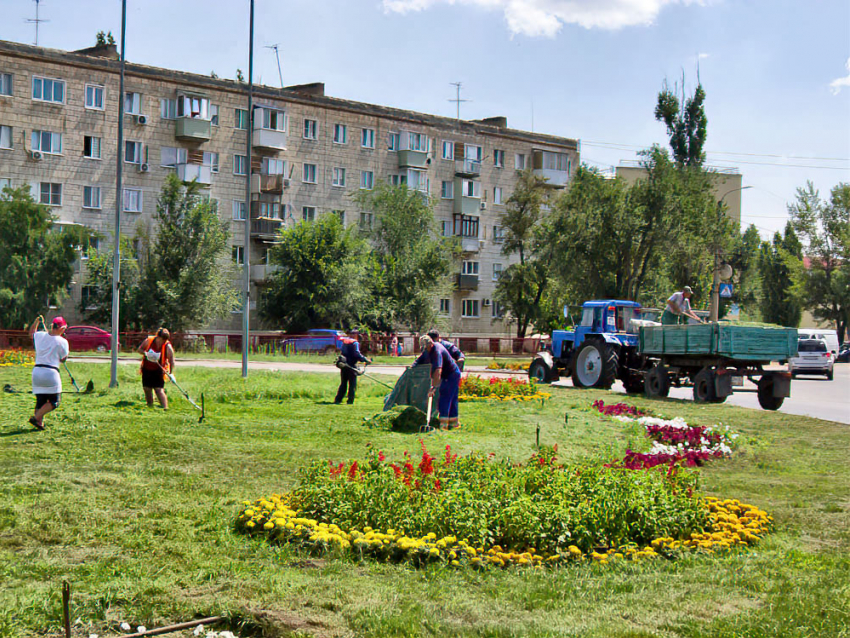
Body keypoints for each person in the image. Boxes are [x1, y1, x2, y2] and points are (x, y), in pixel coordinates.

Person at [28, 315, 69, 430]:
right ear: (61, 329)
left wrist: (36, 321)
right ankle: (37, 417)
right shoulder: (62, 341)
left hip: (37, 371)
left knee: (41, 399)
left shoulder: (40, 336)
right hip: (51, 372)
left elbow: (31, 333)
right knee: (54, 401)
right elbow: (63, 358)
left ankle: (39, 423)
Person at [414, 334, 460, 430]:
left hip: (451, 374)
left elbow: (438, 371)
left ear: (430, 344)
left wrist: (433, 387)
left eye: (426, 348)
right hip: (448, 374)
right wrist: (412, 367)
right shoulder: (428, 350)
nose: (425, 350)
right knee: (450, 397)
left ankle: (444, 424)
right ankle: (453, 423)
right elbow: (420, 360)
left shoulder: (437, 351)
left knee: (445, 397)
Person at [138, 328, 176, 409]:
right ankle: (150, 406)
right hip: (147, 368)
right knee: (147, 388)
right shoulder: (149, 340)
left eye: (164, 340)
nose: (162, 341)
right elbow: (139, 349)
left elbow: (171, 361)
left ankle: (165, 407)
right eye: (161, 339)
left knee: (158, 389)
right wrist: (146, 353)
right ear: (157, 336)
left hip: (159, 370)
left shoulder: (167, 346)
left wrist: (171, 373)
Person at [335, 330, 372, 404]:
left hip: (344, 365)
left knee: (343, 383)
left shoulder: (345, 342)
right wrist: (365, 360)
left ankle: (338, 399)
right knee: (352, 384)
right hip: (351, 366)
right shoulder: (355, 343)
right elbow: (356, 354)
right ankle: (350, 400)